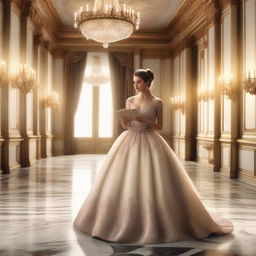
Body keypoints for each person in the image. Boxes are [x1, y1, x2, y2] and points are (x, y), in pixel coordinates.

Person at [73, 68, 234, 244]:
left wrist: (144, 121)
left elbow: (160, 126)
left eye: (139, 82)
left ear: (148, 83)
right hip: (129, 139)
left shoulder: (157, 102)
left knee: (154, 178)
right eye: (134, 82)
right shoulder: (130, 100)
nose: (136, 85)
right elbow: (127, 125)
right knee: (125, 178)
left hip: (150, 140)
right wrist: (126, 123)